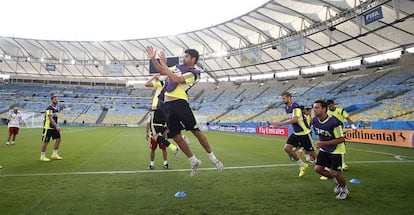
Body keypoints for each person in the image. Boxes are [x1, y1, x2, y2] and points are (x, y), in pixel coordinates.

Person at [146, 46, 223, 176]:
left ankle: (213, 158)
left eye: (186, 56)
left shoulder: (194, 73)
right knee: (175, 136)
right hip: (168, 106)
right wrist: (154, 58)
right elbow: (161, 70)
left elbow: (176, 79)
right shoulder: (177, 67)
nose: (184, 58)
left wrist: (165, 65)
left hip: (180, 103)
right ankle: (193, 160)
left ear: (193, 59)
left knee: (196, 132)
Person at [312, 100, 350, 200]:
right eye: (314, 107)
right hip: (325, 149)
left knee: (336, 173)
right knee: (318, 169)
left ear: (324, 109)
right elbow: (321, 134)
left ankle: (344, 190)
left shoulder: (334, 122)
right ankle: (337, 182)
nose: (314, 110)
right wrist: (321, 144)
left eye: (317, 107)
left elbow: (341, 139)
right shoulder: (315, 120)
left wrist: (322, 143)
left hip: (336, 150)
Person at [274, 92, 316, 177]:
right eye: (282, 98)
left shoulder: (296, 107)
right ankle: (302, 165)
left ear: (289, 98)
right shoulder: (287, 108)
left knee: (313, 155)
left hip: (304, 133)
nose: (283, 100)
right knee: (287, 148)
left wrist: (281, 123)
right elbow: (292, 119)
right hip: (297, 133)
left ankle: (325, 170)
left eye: (284, 98)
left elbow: (295, 120)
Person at [144, 73, 181, 169]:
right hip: (165, 111)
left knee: (155, 136)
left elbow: (147, 84)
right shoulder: (173, 86)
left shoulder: (164, 83)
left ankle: (174, 148)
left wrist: (153, 78)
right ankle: (182, 138)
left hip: (157, 110)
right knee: (163, 133)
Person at [326, 99, 357, 171]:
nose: (330, 107)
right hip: (331, 133)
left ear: (333, 104)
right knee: (330, 148)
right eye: (329, 106)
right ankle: (332, 162)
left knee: (341, 147)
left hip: (340, 132)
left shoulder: (341, 111)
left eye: (331, 105)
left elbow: (348, 118)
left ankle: (342, 164)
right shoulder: (327, 112)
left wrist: (353, 126)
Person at [40, 96, 63, 161]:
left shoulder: (56, 109)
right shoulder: (49, 108)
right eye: (55, 99)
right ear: (52, 100)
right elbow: (50, 119)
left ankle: (54, 154)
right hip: (48, 127)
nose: (56, 100)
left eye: (57, 99)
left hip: (54, 127)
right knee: (46, 142)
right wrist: (56, 126)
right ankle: (42, 156)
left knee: (58, 139)